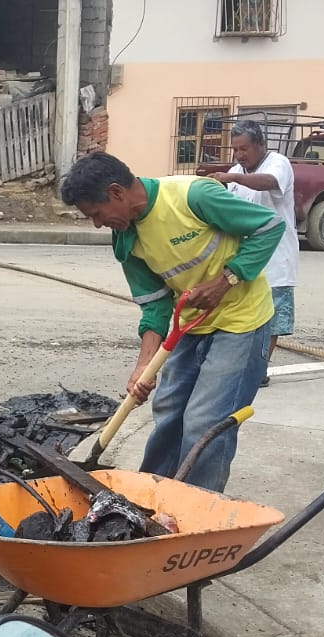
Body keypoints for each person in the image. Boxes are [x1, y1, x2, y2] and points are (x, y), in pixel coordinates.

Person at [59, 150, 283, 493]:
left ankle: (197, 506)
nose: (98, 225)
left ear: (117, 192)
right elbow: (155, 306)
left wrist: (226, 280)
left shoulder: (194, 196)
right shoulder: (126, 238)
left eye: (97, 214)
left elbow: (269, 226)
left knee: (204, 422)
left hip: (241, 321)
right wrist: (143, 367)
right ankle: (152, 497)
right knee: (168, 411)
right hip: (190, 324)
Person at [202, 121, 298, 388]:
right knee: (244, 312)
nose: (239, 155)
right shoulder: (235, 171)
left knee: (272, 319)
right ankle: (241, 365)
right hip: (246, 255)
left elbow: (269, 183)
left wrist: (232, 178)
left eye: (244, 149)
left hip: (277, 256)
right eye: (235, 149)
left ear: (260, 145)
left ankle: (259, 369)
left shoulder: (278, 163)